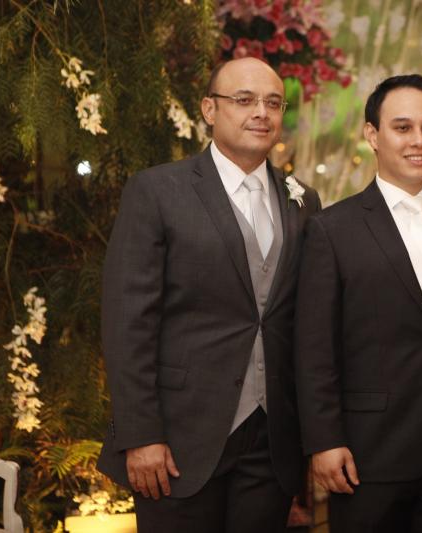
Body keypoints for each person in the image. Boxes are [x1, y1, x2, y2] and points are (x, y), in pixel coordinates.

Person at [97, 58, 321, 533]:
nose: (261, 112)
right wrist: (140, 434)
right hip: (177, 439)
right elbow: (127, 322)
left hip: (271, 442)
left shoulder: (303, 200)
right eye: (244, 100)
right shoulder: (157, 190)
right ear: (209, 109)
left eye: (273, 103)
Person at [294, 74, 422, 533]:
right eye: (402, 127)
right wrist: (324, 441)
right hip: (369, 451)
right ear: (373, 135)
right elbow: (314, 348)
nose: (418, 140)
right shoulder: (332, 229)